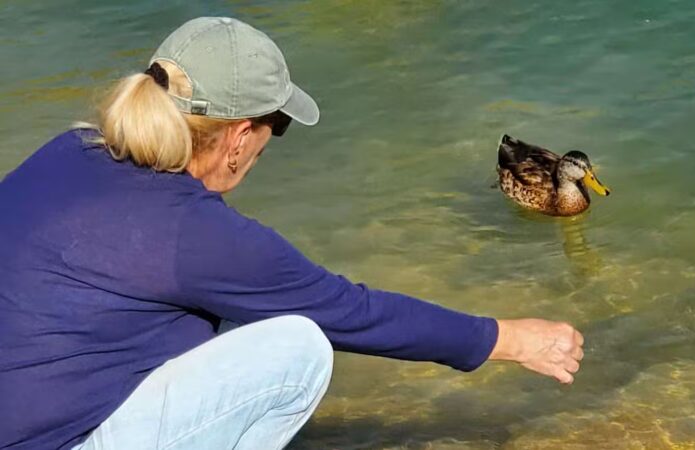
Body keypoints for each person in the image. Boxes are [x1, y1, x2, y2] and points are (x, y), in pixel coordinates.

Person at [0, 17, 584, 450]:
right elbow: (353, 313)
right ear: (239, 137)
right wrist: (507, 338)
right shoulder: (194, 234)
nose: (269, 144)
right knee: (297, 349)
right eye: (275, 127)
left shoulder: (68, 148)